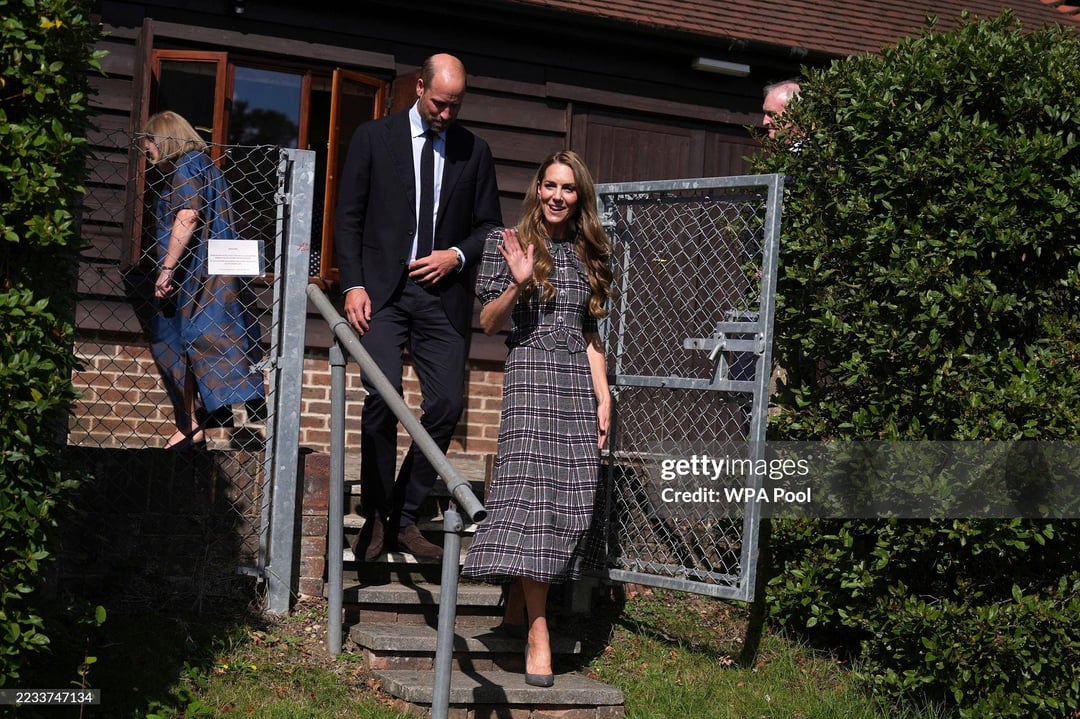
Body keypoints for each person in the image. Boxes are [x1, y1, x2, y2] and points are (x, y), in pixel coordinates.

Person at [335, 53, 502, 561]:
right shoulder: (373, 138)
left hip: (442, 296)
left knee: (447, 405)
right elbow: (348, 217)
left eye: (455, 106)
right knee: (383, 396)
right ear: (420, 89)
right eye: (439, 103)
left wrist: (455, 256)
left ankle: (404, 517)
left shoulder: (475, 151)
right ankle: (375, 515)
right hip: (381, 293)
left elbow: (488, 227)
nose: (446, 114)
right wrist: (353, 284)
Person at [461, 150, 613, 688]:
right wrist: (518, 283)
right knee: (533, 496)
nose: (557, 196)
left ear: (579, 196)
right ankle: (538, 632)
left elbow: (590, 334)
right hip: (530, 379)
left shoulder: (591, 252)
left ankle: (515, 605)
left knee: (571, 496)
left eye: (568, 188)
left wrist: (604, 397)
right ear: (537, 189)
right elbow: (487, 322)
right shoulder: (506, 243)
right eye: (550, 185)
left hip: (576, 385)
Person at [140, 110, 265, 450]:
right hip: (210, 274)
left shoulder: (186, 167)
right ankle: (193, 423)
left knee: (174, 342)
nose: (149, 153)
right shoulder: (206, 167)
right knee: (193, 343)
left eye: (150, 145)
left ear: (163, 139)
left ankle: (191, 424)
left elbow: (188, 215)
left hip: (192, 276)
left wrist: (167, 268)